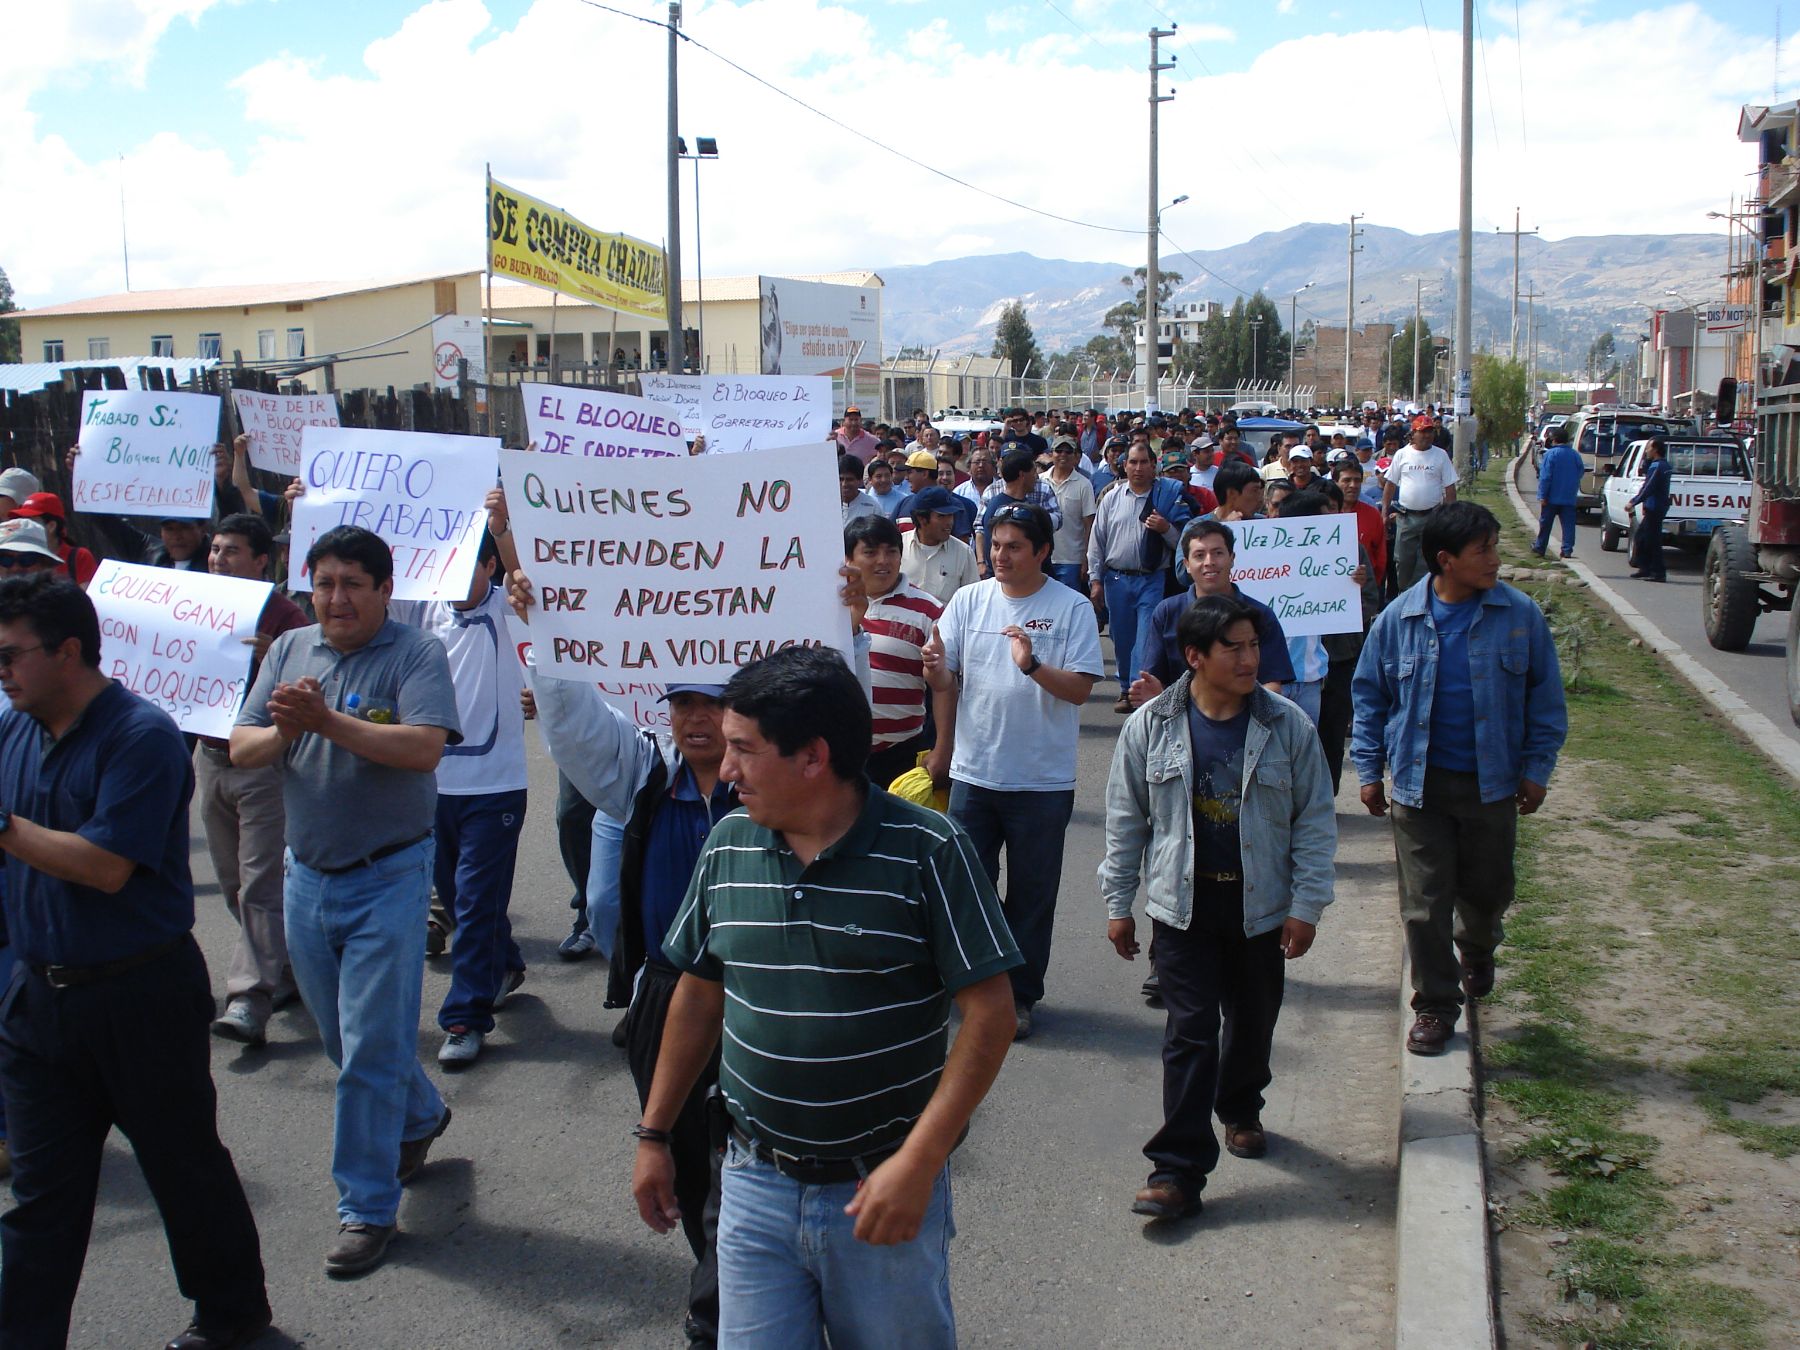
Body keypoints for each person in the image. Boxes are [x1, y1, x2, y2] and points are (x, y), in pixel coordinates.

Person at [630, 646, 1021, 1349]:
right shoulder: (727, 846)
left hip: (882, 1193)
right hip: (753, 1183)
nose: (726, 769)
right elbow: (698, 992)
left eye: (745, 750)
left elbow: (989, 1014)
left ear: (812, 757)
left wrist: (920, 1161)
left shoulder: (928, 850)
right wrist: (655, 1134)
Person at [0, 574, 270, 1350]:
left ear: (70, 652)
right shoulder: (14, 731)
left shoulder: (140, 736)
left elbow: (105, 865)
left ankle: (233, 1320)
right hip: (38, 1002)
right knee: (41, 1198)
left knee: (182, 1169)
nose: (3, 670)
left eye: (13, 655)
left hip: (137, 995)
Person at [230, 525, 462, 1276]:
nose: (335, 598)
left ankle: (365, 1209)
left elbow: (424, 747)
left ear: (384, 591)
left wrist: (328, 721)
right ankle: (421, 1113)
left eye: (352, 584)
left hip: (390, 877)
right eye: (324, 583)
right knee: (345, 1039)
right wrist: (287, 727)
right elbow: (243, 747)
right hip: (308, 876)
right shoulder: (289, 651)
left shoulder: (415, 653)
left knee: (365, 1051)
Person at [1101, 594, 1335, 1221]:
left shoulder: (1288, 726)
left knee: (1253, 1022)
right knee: (1190, 1034)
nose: (1249, 658)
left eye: (1254, 645)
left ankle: (1241, 1106)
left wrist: (1307, 905)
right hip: (1182, 909)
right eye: (1233, 647)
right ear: (1195, 656)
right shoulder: (1149, 726)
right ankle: (1176, 1171)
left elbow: (1314, 822)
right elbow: (1128, 822)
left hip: (1260, 908)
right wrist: (1118, 901)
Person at [1351, 503, 1568, 1056]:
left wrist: (1537, 770)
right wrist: (1370, 770)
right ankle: (1435, 1005)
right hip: (1419, 787)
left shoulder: (1520, 617)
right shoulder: (1398, 619)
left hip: (1492, 785)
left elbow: (1546, 702)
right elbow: (1370, 697)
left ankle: (1476, 947)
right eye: (1484, 550)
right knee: (1424, 903)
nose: (1495, 560)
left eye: (1495, 547)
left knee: (1488, 890)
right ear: (1445, 561)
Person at [924, 503, 1103, 1040]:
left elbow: (1079, 690)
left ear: (1043, 551)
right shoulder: (968, 601)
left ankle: (1020, 996)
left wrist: (1031, 665)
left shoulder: (1071, 609)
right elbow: (946, 682)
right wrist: (936, 687)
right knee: (966, 889)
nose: (1000, 556)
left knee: (1031, 897)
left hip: (1041, 783)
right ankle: (970, 987)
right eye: (995, 545)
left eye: (1014, 547)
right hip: (974, 776)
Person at [395, 524, 530, 1070]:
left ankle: (464, 1017)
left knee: (475, 902)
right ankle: (506, 962)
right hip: (431, 785)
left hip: (495, 787)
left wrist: (503, 532)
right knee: (456, 897)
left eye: (465, 567)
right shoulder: (422, 613)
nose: (450, 581)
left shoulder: (508, 608)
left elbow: (536, 589)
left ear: (490, 568)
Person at [197, 513, 311, 1048]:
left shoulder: (285, 619)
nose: (219, 559)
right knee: (231, 882)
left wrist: (275, 660)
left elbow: (315, 682)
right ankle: (285, 969)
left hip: (263, 762)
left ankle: (249, 998)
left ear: (261, 561)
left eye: (232, 551)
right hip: (210, 757)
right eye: (215, 549)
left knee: (260, 880)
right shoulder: (191, 603)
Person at [1129, 519, 1296, 706]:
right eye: (1199, 555)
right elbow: (1153, 678)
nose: (1209, 562)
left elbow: (1272, 684)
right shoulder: (1167, 612)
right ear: (1186, 564)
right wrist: (1158, 699)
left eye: (1217, 553)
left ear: (1232, 558)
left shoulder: (1260, 615)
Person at [845, 513, 952, 790]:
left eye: (891, 552)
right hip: (837, 754)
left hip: (900, 753)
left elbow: (945, 685)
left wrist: (942, 747)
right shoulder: (830, 607)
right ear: (848, 559)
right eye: (870, 552)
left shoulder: (929, 610)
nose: (883, 561)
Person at [1087, 443, 1194, 713]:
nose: (1138, 468)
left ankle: (1138, 692)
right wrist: (1095, 580)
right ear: (1124, 466)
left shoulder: (1166, 497)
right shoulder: (1112, 498)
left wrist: (1166, 528)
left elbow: (1184, 542)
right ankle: (1125, 687)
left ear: (1153, 465)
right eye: (1133, 462)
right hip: (1116, 580)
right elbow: (1097, 541)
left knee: (1146, 637)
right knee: (1122, 639)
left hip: (1152, 578)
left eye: (1144, 462)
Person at [1382, 415, 1458, 591]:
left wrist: (1450, 516)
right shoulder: (1402, 454)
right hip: (1406, 517)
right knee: (1403, 559)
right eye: (1423, 432)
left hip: (1432, 516)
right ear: (1413, 434)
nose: (1427, 436)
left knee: (1428, 561)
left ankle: (1424, 596)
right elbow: (1390, 485)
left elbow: (1450, 488)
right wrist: (1384, 512)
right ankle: (1404, 594)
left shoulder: (1440, 455)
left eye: (1430, 432)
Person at [975, 448, 1063, 577]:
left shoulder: (1028, 505)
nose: (1036, 477)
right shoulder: (998, 508)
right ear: (1022, 475)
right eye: (1033, 472)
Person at [900, 486, 979, 605]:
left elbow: (973, 601)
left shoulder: (963, 553)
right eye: (941, 516)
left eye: (951, 515)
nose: (949, 522)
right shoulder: (898, 546)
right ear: (922, 519)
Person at [1043, 434, 1097, 592]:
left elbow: (1089, 525)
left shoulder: (1084, 484)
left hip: (1072, 561)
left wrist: (1086, 560)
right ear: (1051, 453)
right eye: (1059, 451)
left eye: (1068, 451)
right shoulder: (1039, 481)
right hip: (1043, 557)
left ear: (1076, 456)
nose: (1063, 455)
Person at [10, 495, 98, 587]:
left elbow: (85, 598)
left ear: (51, 526)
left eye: (30, 523)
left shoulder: (79, 557)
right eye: (22, 521)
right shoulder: (14, 556)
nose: (24, 527)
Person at [1532, 424, 1582, 559]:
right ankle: (1567, 550)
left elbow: (1545, 477)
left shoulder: (1551, 454)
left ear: (1554, 440)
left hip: (1551, 497)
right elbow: (1580, 472)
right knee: (1568, 525)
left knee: (1545, 524)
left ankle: (1540, 547)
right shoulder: (1575, 455)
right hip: (1569, 497)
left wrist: (1542, 495)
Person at [1627, 436, 1672, 582]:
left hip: (1655, 507)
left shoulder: (1658, 466)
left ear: (1656, 449)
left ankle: (1658, 572)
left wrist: (1634, 502)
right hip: (1655, 506)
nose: (1646, 451)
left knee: (1652, 540)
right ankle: (1645, 568)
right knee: (1641, 537)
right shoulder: (1661, 465)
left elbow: (1648, 487)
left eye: (1649, 448)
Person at [838, 454, 881, 526]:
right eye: (841, 479)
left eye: (849, 480)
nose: (844, 484)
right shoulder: (825, 505)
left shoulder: (872, 507)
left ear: (860, 481)